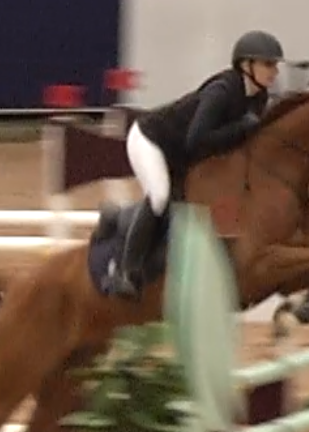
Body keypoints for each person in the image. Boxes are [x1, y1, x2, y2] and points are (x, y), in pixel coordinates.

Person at [105, 30, 285, 300]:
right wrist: (240, 128)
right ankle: (124, 272)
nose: (275, 71)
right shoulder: (221, 91)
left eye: (275, 65)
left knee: (186, 205)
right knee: (160, 197)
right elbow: (196, 140)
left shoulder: (259, 98)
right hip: (151, 140)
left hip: (183, 154)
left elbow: (238, 141)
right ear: (247, 65)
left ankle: (120, 221)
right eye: (268, 64)